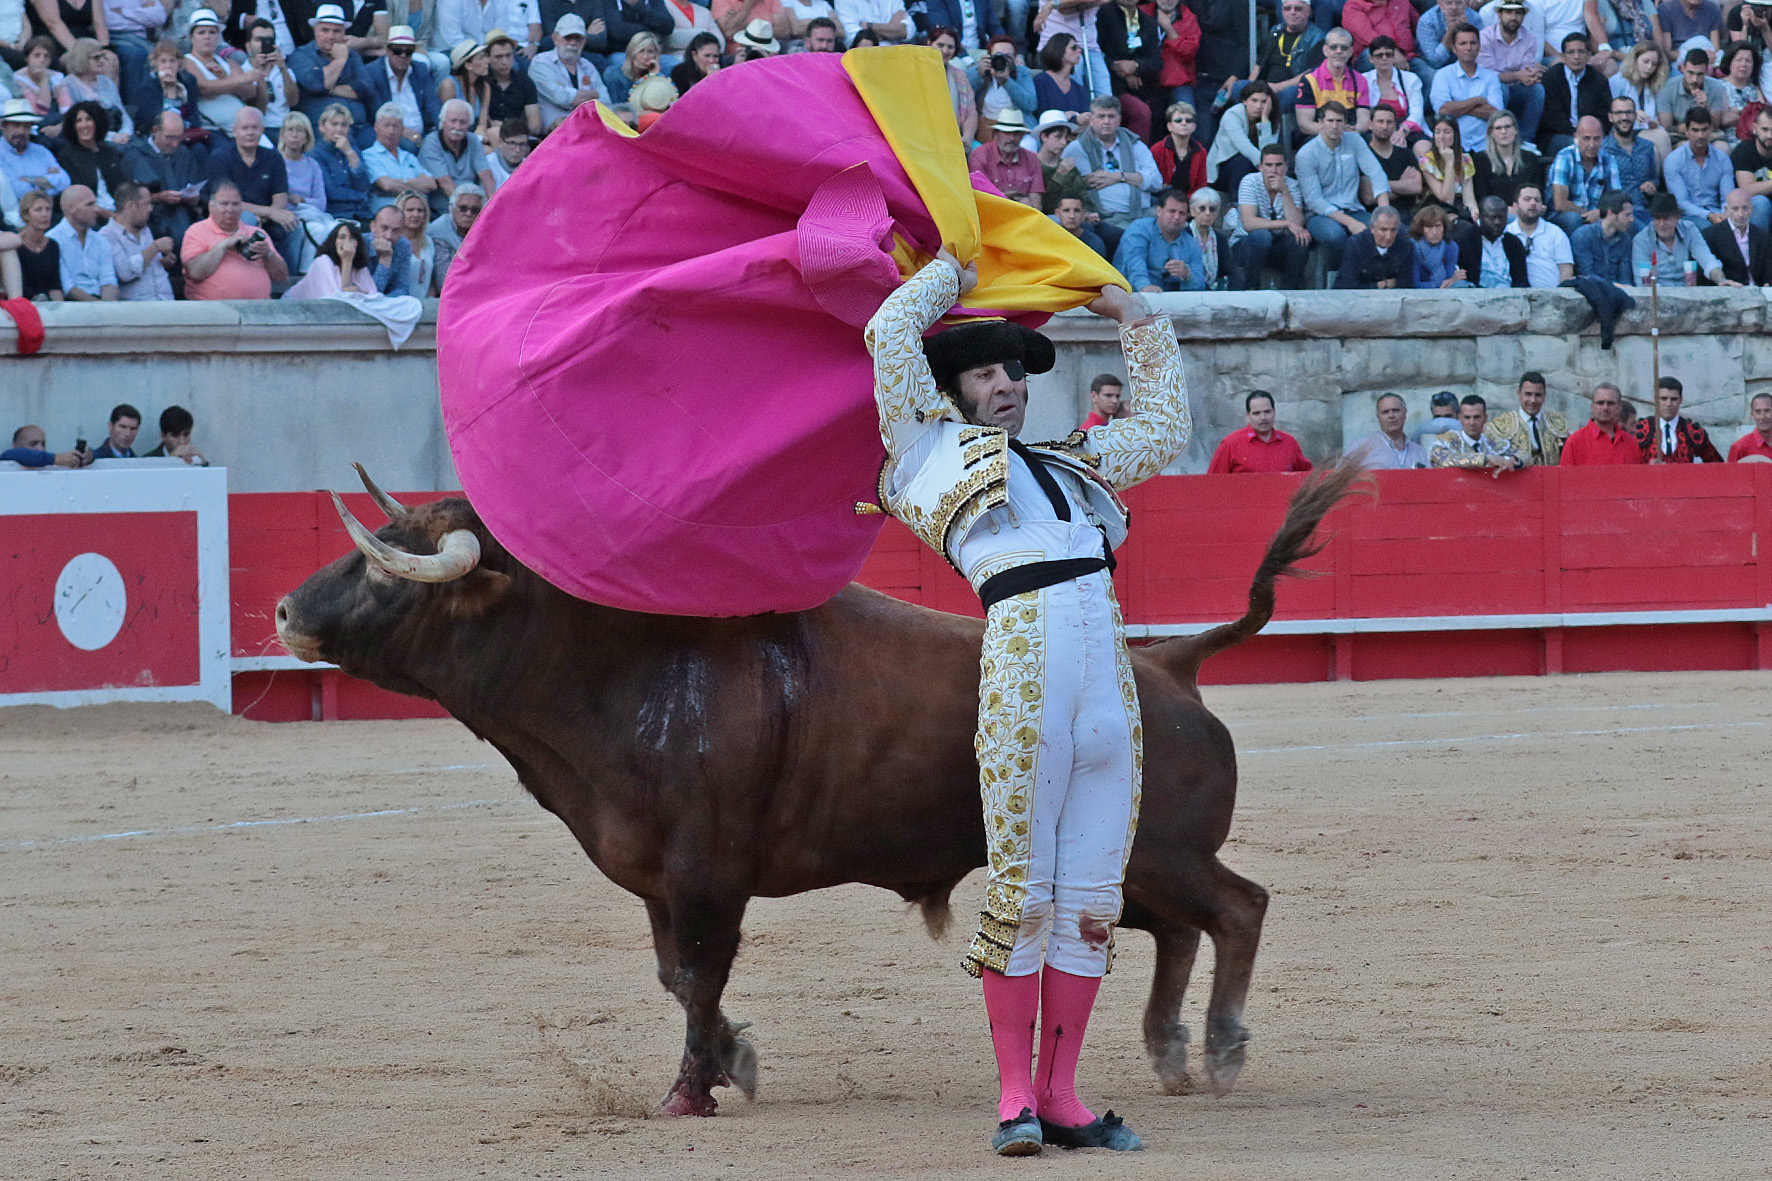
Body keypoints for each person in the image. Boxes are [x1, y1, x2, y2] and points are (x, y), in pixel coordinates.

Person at [863, 252, 1187, 1158]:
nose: (1006, 384)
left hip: (1106, 687)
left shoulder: (1073, 463)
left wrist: (1136, 313)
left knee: (1089, 898)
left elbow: (1163, 427)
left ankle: (1064, 1095)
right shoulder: (924, 451)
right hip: (1023, 667)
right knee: (1024, 890)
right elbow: (888, 332)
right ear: (948, 391)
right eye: (985, 372)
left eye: (1014, 371)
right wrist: (953, 265)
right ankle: (1015, 1097)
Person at [1294, 100, 1391, 270]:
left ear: (1346, 123)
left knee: (1387, 231)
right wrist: (1349, 222)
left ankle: (1377, 276)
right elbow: (1314, 201)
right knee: (1335, 236)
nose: (1334, 126)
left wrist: (1384, 212)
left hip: (1354, 208)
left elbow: (1376, 173)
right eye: (1330, 121)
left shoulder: (1354, 140)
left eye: (1339, 121)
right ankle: (1338, 279)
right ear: (1320, 122)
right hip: (1320, 215)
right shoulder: (1306, 154)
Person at [1060, 95, 1159, 238]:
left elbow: (1156, 182)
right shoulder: (1077, 149)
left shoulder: (1135, 144)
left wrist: (1119, 176)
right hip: (1108, 218)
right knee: (1133, 238)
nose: (1106, 121)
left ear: (1119, 119)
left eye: (1111, 116)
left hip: (1144, 212)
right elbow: (1070, 187)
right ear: (1091, 119)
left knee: (1178, 227)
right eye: (1101, 116)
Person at [207, 106, 298, 258]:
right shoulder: (220, 157)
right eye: (245, 128)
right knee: (247, 219)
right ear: (234, 130)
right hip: (234, 214)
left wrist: (272, 215)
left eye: (255, 128)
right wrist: (271, 213)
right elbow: (226, 203)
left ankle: (288, 276)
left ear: (262, 130)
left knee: (294, 225)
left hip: (267, 216)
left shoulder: (273, 157)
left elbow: (280, 198)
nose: (250, 132)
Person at [181, 178, 289, 298]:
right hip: (213, 309)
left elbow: (281, 277)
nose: (230, 210)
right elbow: (195, 273)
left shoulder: (257, 232)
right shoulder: (196, 231)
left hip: (258, 309)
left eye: (235, 204)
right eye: (224, 204)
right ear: (211, 206)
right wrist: (223, 246)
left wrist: (268, 254)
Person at [1233, 143, 1311, 289]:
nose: (1273, 170)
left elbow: (1297, 224)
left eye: (1278, 165)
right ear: (1260, 167)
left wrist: (1285, 192)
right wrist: (1286, 224)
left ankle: (1291, 291)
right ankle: (1251, 289)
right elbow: (1249, 223)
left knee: (1300, 240)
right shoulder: (1250, 181)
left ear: (1286, 167)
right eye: (1269, 165)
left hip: (1277, 246)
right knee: (1262, 236)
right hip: (1247, 245)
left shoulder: (1292, 186)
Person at [1111, 186, 1205, 291]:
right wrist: (1144, 286)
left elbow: (1201, 284)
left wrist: (1188, 274)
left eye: (1182, 213)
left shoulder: (1192, 244)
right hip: (1130, 294)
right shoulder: (1140, 229)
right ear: (1159, 211)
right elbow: (1134, 262)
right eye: (1172, 211)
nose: (1177, 217)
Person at [361, 24, 440, 146]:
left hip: (423, 134)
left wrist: (443, 131)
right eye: (397, 51)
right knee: (409, 146)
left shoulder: (420, 69)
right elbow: (374, 111)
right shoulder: (373, 72)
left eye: (408, 51)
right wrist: (403, 131)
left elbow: (433, 105)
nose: (403, 55)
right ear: (388, 51)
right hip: (390, 133)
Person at [183, 7, 259, 132]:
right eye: (201, 32)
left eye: (212, 32)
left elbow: (249, 93)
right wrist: (240, 79)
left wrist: (224, 78)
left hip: (244, 128)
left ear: (218, 36)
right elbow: (203, 88)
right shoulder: (186, 61)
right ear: (192, 37)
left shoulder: (230, 63)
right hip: (213, 129)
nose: (207, 37)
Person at [1479, 0, 1545, 143]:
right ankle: (1497, 138)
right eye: (1508, 12)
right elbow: (1488, 76)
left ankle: (1526, 140)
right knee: (1500, 88)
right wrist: (1518, 75)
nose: (1513, 17)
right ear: (1499, 14)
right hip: (1490, 87)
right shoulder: (1485, 37)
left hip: (1517, 85)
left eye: (1518, 13)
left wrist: (1531, 76)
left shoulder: (1530, 38)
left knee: (1537, 90)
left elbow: (1526, 69)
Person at [1430, 24, 1503, 151]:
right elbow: (1443, 110)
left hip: (1485, 146)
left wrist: (1457, 106)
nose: (1468, 48)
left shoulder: (1491, 77)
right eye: (1463, 43)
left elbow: (1496, 114)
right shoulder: (1443, 75)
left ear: (1479, 46)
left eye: (1473, 43)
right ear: (1454, 48)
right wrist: (1477, 101)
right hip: (1453, 146)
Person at [99, 179, 174, 300]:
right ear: (131, 206)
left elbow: (146, 261)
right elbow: (125, 272)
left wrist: (163, 261)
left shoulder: (145, 229)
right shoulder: (107, 236)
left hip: (167, 304)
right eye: (147, 203)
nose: (151, 209)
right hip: (139, 312)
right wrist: (155, 247)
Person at [1244, 0, 1325, 112]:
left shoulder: (1317, 38)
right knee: (1239, 86)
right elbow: (1259, 64)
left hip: (1291, 89)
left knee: (1291, 93)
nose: (1292, 12)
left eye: (1298, 8)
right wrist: (1251, 88)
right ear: (1282, 11)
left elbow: (1310, 73)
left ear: (1308, 11)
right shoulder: (1275, 31)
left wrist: (1277, 87)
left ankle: (1273, 125)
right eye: (1287, 8)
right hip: (1265, 86)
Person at [1547, 113, 1623, 233]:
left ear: (1603, 137)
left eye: (1596, 138)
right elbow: (1560, 204)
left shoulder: (1609, 160)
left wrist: (1600, 213)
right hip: (1564, 216)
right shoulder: (1565, 157)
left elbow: (1617, 198)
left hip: (1598, 215)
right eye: (1587, 138)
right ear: (1576, 137)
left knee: (1623, 219)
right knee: (1573, 219)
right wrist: (1588, 214)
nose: (1592, 145)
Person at [1633, 188, 1730, 280]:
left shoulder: (1689, 229)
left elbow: (1707, 260)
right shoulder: (1642, 239)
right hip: (1656, 292)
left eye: (1666, 219)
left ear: (1677, 217)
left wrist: (1721, 280)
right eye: (1657, 219)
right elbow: (1643, 280)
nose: (1662, 224)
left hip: (1688, 289)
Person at [1205, 80, 1279, 199]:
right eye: (1254, 100)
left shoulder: (1272, 117)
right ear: (1245, 101)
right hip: (1225, 168)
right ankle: (1236, 204)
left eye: (1264, 102)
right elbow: (1244, 146)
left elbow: (1269, 149)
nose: (1259, 106)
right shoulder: (1232, 115)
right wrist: (1266, 166)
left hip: (1256, 166)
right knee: (1242, 161)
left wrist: (1265, 120)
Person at [532, 14, 607, 130]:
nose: (573, 43)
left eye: (578, 38)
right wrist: (593, 95)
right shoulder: (541, 63)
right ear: (555, 38)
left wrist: (570, 93)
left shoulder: (588, 66)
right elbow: (561, 97)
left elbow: (605, 102)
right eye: (568, 37)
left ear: (584, 41)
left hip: (588, 127)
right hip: (555, 132)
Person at [1208, 389, 1313, 472]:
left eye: (1267, 412)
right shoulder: (1230, 444)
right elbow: (1213, 483)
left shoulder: (1289, 443)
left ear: (1274, 412)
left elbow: (1307, 478)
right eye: (1256, 413)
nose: (1263, 417)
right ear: (1248, 416)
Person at [1539, 33, 1610, 154]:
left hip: (1593, 134)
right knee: (1579, 146)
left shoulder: (1599, 80)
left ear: (1588, 55)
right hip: (1558, 135)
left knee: (1610, 146)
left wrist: (1590, 134)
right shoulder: (1551, 78)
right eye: (1571, 52)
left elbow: (1605, 114)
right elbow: (1552, 119)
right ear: (1562, 56)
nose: (1576, 57)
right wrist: (1579, 135)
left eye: (1581, 52)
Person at [1664, 106, 1734, 226]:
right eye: (1695, 130)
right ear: (1686, 131)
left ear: (1711, 129)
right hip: (1689, 217)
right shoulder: (1673, 160)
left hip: (1719, 213)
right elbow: (1681, 202)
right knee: (1706, 226)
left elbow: (1728, 197)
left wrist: (1725, 214)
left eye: (1704, 130)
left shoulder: (1722, 158)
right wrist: (1708, 215)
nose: (1700, 135)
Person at [55, 37, 133, 144]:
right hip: (90, 141)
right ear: (82, 58)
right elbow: (72, 123)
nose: (101, 60)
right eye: (96, 57)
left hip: (119, 136)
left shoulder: (107, 82)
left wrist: (125, 133)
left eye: (102, 56)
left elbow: (123, 114)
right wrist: (112, 137)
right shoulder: (67, 85)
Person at [47, 184, 118, 299]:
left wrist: (106, 309)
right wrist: (97, 308)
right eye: (90, 204)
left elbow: (109, 281)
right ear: (70, 208)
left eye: (95, 203)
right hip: (71, 306)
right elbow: (67, 287)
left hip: (102, 305)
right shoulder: (52, 240)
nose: (97, 209)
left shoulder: (101, 241)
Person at [1295, 27, 1370, 136]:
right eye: (1334, 47)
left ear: (1350, 51)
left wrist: (1354, 131)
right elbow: (1304, 124)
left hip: (1351, 136)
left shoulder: (1360, 80)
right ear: (1325, 50)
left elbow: (1363, 120)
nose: (1338, 51)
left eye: (1344, 48)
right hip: (1320, 137)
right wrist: (1336, 131)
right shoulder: (1309, 80)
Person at [363, 101, 435, 213]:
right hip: (388, 215)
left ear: (402, 130)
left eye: (396, 126)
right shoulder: (369, 155)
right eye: (386, 125)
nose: (391, 131)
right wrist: (417, 187)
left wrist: (400, 184)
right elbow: (386, 185)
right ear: (376, 127)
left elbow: (431, 184)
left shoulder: (409, 157)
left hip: (416, 215)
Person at [1485, 370, 1570, 464]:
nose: (1533, 400)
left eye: (1538, 395)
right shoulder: (1501, 425)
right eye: (1528, 394)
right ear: (1519, 394)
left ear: (1544, 396)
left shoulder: (1558, 423)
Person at [284, 214, 379, 297]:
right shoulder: (323, 261)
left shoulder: (361, 268)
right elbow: (339, 297)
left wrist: (357, 290)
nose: (347, 242)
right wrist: (346, 260)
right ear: (334, 242)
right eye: (342, 237)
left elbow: (373, 295)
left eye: (352, 238)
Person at [51, 100, 126, 204]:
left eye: (89, 119)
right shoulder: (66, 156)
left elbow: (122, 187)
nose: (84, 125)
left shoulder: (110, 153)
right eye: (79, 121)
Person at [1636, 374, 1723, 461]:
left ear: (1681, 400)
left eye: (1673, 399)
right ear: (1655, 399)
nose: (1668, 404)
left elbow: (1717, 465)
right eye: (1663, 399)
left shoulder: (1693, 431)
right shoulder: (1639, 430)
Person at [1609, 41, 1672, 162]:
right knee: (1661, 136)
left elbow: (1655, 117)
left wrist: (1653, 122)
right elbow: (1611, 112)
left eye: (1654, 64)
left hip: (1646, 131)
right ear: (1635, 59)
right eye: (1645, 61)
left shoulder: (1653, 85)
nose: (1649, 68)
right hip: (1625, 131)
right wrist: (1632, 114)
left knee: (1655, 151)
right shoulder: (1618, 81)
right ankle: (1668, 179)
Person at [1604, 94, 1661, 221]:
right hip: (1619, 214)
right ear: (1610, 117)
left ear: (1635, 116)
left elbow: (1654, 179)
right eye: (1619, 113)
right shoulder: (1603, 150)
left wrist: (1652, 185)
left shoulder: (1647, 147)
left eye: (1628, 112)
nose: (1624, 117)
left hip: (1647, 211)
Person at [2, 97, 70, 202]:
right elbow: (14, 190)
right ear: (3, 126)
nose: (21, 131)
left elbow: (65, 181)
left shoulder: (41, 151)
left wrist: (30, 180)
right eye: (16, 125)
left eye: (26, 127)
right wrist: (47, 181)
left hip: (47, 211)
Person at [1429, 393, 1523, 470]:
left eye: (1477, 417)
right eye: (1467, 417)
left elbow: (1524, 455)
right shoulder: (1447, 440)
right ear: (1460, 418)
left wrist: (1512, 460)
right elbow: (1441, 458)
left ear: (1485, 418)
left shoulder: (1492, 441)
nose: (1472, 422)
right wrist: (1486, 459)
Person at [969, 109, 1043, 207]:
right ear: (995, 134)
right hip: (992, 213)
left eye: (1016, 133)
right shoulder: (979, 156)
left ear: (1022, 136)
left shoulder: (1032, 159)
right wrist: (1008, 197)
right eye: (1007, 133)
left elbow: (1036, 203)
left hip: (1023, 215)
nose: (1012, 138)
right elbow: (980, 197)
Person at [312, 100, 371, 220]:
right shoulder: (315, 154)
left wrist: (349, 153)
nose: (339, 129)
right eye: (334, 124)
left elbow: (364, 185)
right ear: (322, 126)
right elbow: (331, 192)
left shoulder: (353, 150)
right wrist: (361, 196)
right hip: (336, 215)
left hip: (361, 213)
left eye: (344, 125)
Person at [1560, 380, 1646, 463]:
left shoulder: (1631, 444)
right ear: (1592, 407)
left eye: (1610, 403)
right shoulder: (1575, 442)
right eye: (1600, 403)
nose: (1605, 408)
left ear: (1619, 408)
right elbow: (1565, 477)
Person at [1471, 108, 1542, 206]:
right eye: (1498, 128)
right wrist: (1506, 210)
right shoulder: (1480, 160)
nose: (1503, 131)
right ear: (1491, 133)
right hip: (1495, 215)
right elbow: (1481, 197)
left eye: (1507, 127)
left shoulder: (1531, 159)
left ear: (1515, 130)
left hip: (1526, 213)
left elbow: (1538, 193)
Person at [1509, 183, 1576, 285]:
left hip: (1552, 295)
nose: (1533, 203)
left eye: (1537, 200)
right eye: (1527, 199)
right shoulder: (1506, 233)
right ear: (1515, 206)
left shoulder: (1556, 233)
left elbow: (1566, 271)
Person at [1334, 203, 1415, 286]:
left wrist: (1395, 283)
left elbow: (1407, 280)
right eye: (1383, 230)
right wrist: (1377, 286)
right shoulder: (1356, 244)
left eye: (1393, 230)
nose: (1388, 236)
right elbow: (1348, 282)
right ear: (1372, 228)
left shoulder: (1405, 245)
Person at [1703, 185, 1772, 282]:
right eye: (1735, 209)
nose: (1741, 214)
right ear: (1727, 210)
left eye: (1745, 208)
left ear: (1752, 209)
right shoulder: (1711, 235)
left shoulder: (1763, 236)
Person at [1364, 103, 1422, 218]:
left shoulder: (1405, 154)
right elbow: (1368, 197)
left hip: (1408, 214)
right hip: (1375, 217)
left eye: (1389, 122)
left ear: (1395, 125)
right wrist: (1403, 186)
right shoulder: (1364, 154)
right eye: (1380, 121)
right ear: (1370, 125)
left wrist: (1378, 186)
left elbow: (1416, 187)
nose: (1385, 126)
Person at [1363, 34, 1424, 141]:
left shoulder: (1411, 79)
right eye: (1379, 55)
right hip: (1375, 132)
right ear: (1371, 59)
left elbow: (1417, 111)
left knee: (1423, 147)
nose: (1384, 58)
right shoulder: (1363, 80)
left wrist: (1403, 131)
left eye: (1388, 54)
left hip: (1407, 130)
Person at [1421, 113, 1480, 222]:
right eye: (1437, 132)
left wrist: (1474, 210)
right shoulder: (1427, 161)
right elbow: (1446, 199)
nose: (1441, 137)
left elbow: (1469, 197)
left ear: (1455, 135)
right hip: (1436, 208)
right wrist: (1449, 162)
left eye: (1447, 132)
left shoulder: (1465, 159)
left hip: (1459, 206)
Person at [483, 30, 541, 137]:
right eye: (498, 57)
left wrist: (505, 126)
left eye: (508, 56)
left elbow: (535, 126)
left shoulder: (525, 82)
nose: (504, 62)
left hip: (519, 138)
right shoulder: (482, 82)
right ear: (488, 57)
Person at [1570, 186, 1637, 279]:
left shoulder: (1625, 239)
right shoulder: (1582, 236)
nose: (1631, 219)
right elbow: (1587, 275)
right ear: (1611, 214)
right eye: (1627, 215)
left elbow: (1625, 277)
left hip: (1618, 291)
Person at [1349, 392, 1430, 467]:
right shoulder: (1361, 447)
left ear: (1405, 413)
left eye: (1396, 410)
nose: (1391, 416)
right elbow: (1340, 478)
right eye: (1385, 412)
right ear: (1378, 416)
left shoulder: (1419, 452)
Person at [1658, 46, 1727, 131]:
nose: (1695, 79)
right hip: (1677, 135)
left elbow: (1715, 127)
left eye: (1700, 74)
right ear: (1682, 68)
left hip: (1707, 135)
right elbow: (1666, 126)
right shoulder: (1667, 87)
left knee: (1721, 145)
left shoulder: (1717, 87)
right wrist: (1688, 128)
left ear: (1707, 71)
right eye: (1690, 73)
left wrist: (1705, 108)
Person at [428, 181, 483, 284]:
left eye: (474, 210)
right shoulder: (439, 230)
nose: (468, 214)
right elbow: (443, 280)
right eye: (463, 208)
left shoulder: (483, 231)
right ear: (452, 207)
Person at [12, 190, 62, 300]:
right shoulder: (16, 246)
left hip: (49, 305)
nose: (45, 214)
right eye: (38, 210)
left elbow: (55, 285)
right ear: (26, 214)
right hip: (23, 302)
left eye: (48, 209)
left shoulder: (53, 245)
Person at [1035, 109, 1087, 213]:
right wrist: (1059, 176)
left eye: (1066, 137)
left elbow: (1082, 195)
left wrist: (1087, 212)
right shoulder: (1032, 165)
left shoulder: (1069, 167)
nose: (1064, 142)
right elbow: (1044, 205)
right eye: (1058, 137)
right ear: (1044, 136)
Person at [1730, 105, 1772, 228]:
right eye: (1765, 129)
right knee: (1760, 202)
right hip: (1748, 208)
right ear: (1755, 128)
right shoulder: (1744, 151)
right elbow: (1747, 189)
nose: (1770, 135)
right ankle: (1758, 247)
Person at [1475, 192, 1531, 284]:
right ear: (1480, 217)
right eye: (1492, 217)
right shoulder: (1466, 240)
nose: (1497, 222)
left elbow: (1521, 281)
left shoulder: (1514, 243)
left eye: (1501, 218)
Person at [1148, 101, 1206, 191]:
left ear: (1194, 126)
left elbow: (1201, 186)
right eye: (1178, 121)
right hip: (1162, 198)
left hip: (1191, 201)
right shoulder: (1157, 149)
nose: (1184, 123)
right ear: (1169, 126)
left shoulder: (1201, 151)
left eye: (1189, 121)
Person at [441, 39, 492, 136]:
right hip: (453, 133)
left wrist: (480, 134)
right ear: (468, 66)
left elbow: (482, 123)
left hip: (474, 133)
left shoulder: (485, 87)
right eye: (481, 58)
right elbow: (448, 121)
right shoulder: (449, 85)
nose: (488, 61)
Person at [1033, 34, 1088, 121]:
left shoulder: (1079, 89)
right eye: (1073, 48)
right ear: (1059, 50)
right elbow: (1040, 114)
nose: (1079, 50)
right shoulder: (1040, 81)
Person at [1411, 203, 1468, 285]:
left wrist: (1455, 279)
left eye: (1438, 226)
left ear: (1444, 227)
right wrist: (1439, 286)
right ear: (1421, 229)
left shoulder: (1451, 247)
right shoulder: (1412, 247)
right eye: (1429, 227)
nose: (1434, 232)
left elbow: (1450, 277)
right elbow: (1413, 283)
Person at [1184, 186, 1231, 288]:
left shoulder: (1221, 239)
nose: (1207, 213)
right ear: (1192, 211)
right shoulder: (1184, 236)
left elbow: (1228, 271)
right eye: (1202, 208)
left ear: (1217, 213)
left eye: (1212, 209)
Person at [604, 30, 662, 104]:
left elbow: (659, 105)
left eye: (650, 51)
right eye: (641, 51)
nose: (645, 57)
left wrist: (654, 78)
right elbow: (617, 107)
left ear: (656, 55)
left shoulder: (656, 74)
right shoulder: (613, 74)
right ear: (631, 52)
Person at [366, 201, 411, 292]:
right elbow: (372, 292)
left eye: (395, 230)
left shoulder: (403, 245)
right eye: (384, 228)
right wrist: (385, 259)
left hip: (389, 302)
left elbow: (402, 288)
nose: (389, 236)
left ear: (402, 231)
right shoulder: (361, 244)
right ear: (373, 227)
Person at [141, 405, 209, 465]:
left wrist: (202, 463)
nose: (182, 442)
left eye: (186, 435)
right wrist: (171, 460)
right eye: (175, 436)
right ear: (163, 436)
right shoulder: (146, 461)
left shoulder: (194, 458)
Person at [1, 424, 91, 468]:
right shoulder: (8, 457)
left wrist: (89, 456)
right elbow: (9, 455)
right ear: (15, 446)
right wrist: (57, 459)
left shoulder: (50, 464)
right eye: (33, 444)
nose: (40, 448)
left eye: (43, 444)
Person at [1657, 0, 1722, 60]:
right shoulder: (1666, 9)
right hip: (1678, 59)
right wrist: (1694, 57)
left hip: (1707, 59)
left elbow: (1715, 47)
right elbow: (1667, 51)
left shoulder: (1713, 9)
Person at [486, 115, 531, 188]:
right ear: (500, 142)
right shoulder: (487, 165)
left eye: (522, 144)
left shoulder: (531, 168)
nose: (517, 150)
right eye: (512, 143)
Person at [1726, 391, 1772, 460]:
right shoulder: (1739, 447)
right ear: (1752, 415)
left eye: (1767, 411)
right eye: (1758, 412)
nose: (1763, 416)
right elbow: (1730, 471)